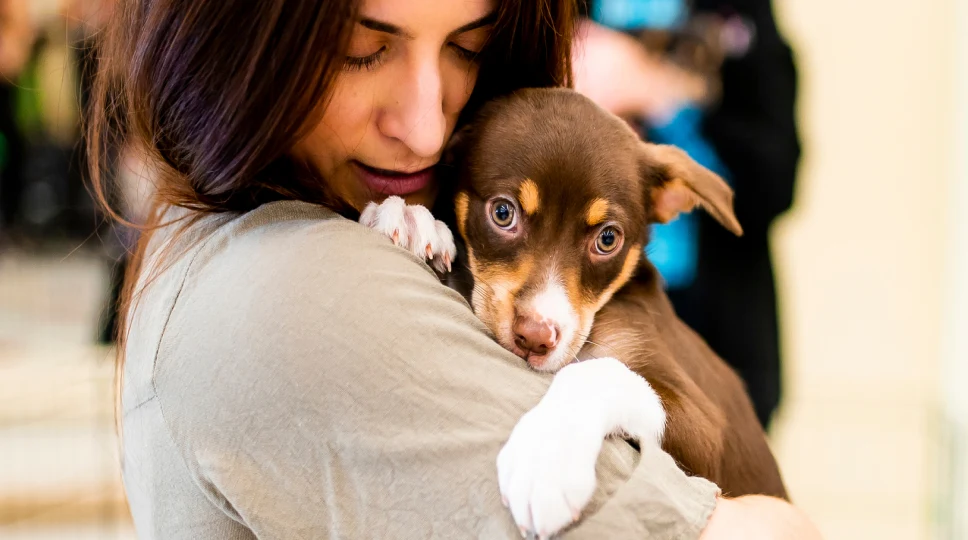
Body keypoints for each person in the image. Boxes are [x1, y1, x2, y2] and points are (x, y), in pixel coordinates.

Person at [88, 0, 820, 538]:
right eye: (361, 48)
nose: (429, 128)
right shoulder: (297, 291)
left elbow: (777, 165)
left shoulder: (201, 241)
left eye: (468, 49)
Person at [573, 0, 800, 429]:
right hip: (583, 324)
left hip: (714, 338)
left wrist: (656, 90)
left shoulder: (744, 13)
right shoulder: (556, 11)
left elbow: (777, 180)